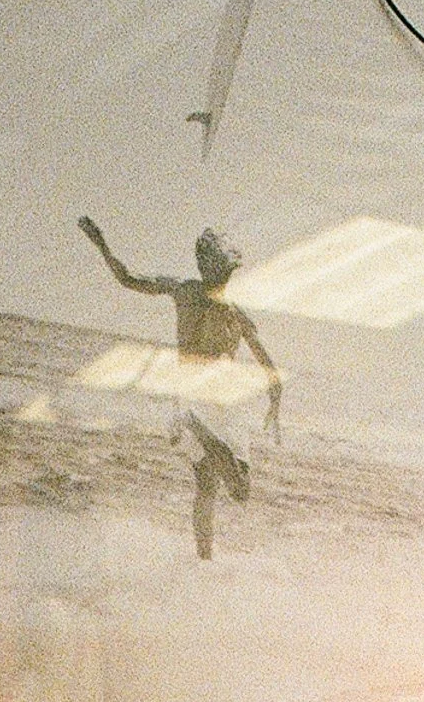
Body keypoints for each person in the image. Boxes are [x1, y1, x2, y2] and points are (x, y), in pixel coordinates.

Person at [78, 215, 282, 561]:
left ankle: (204, 561)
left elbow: (127, 279)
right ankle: (205, 560)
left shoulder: (195, 295)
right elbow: (269, 369)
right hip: (213, 401)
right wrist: (274, 403)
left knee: (212, 487)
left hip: (201, 401)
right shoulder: (225, 309)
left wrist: (101, 245)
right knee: (231, 489)